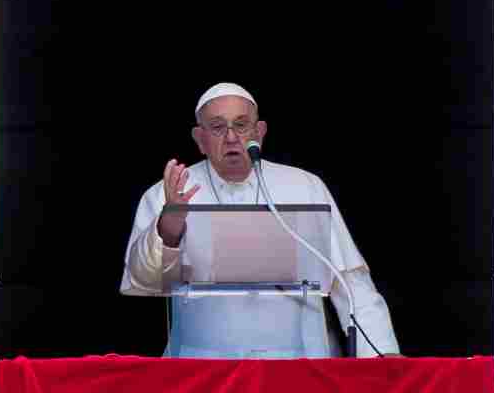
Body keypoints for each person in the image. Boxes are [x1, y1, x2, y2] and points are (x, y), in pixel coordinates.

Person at [120, 82, 400, 358]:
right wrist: (170, 225)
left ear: (260, 132)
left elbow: (349, 281)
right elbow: (145, 282)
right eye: (217, 127)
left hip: (299, 364)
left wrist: (383, 357)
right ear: (199, 139)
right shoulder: (169, 191)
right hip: (202, 366)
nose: (231, 137)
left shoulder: (304, 186)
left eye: (241, 125)